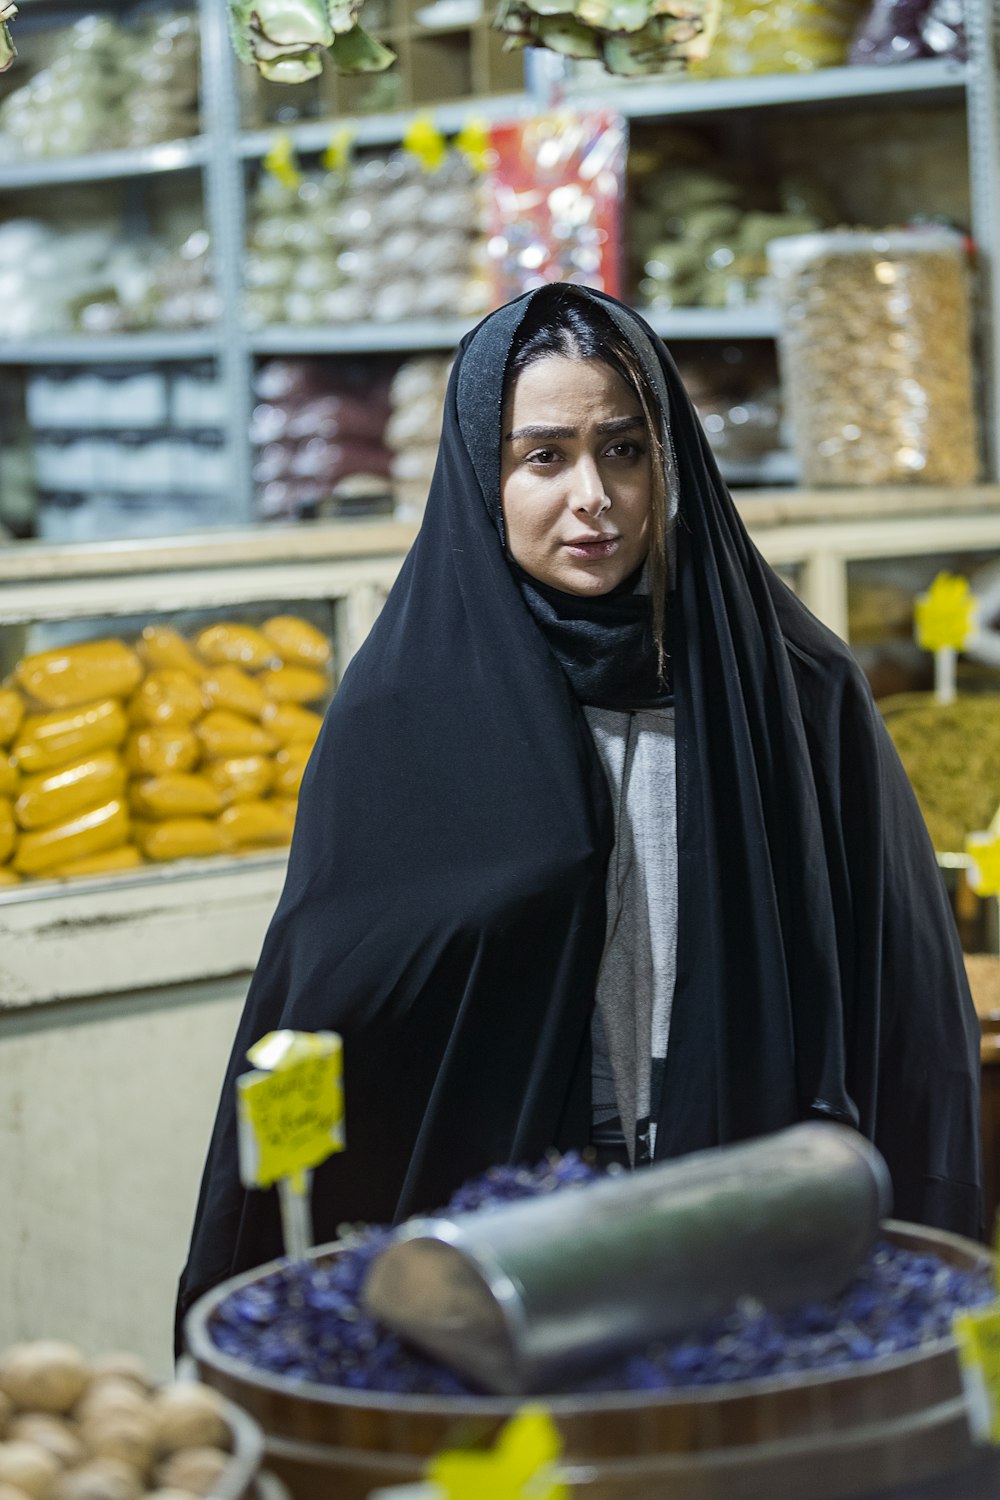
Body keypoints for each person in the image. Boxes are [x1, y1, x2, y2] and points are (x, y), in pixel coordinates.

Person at [176, 282, 982, 1348]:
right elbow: (340, 1002)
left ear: (671, 463)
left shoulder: (793, 690)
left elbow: (898, 990)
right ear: (481, 474)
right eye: (543, 457)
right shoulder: (402, 715)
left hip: (756, 1203)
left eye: (624, 450)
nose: (591, 497)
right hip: (504, 1225)